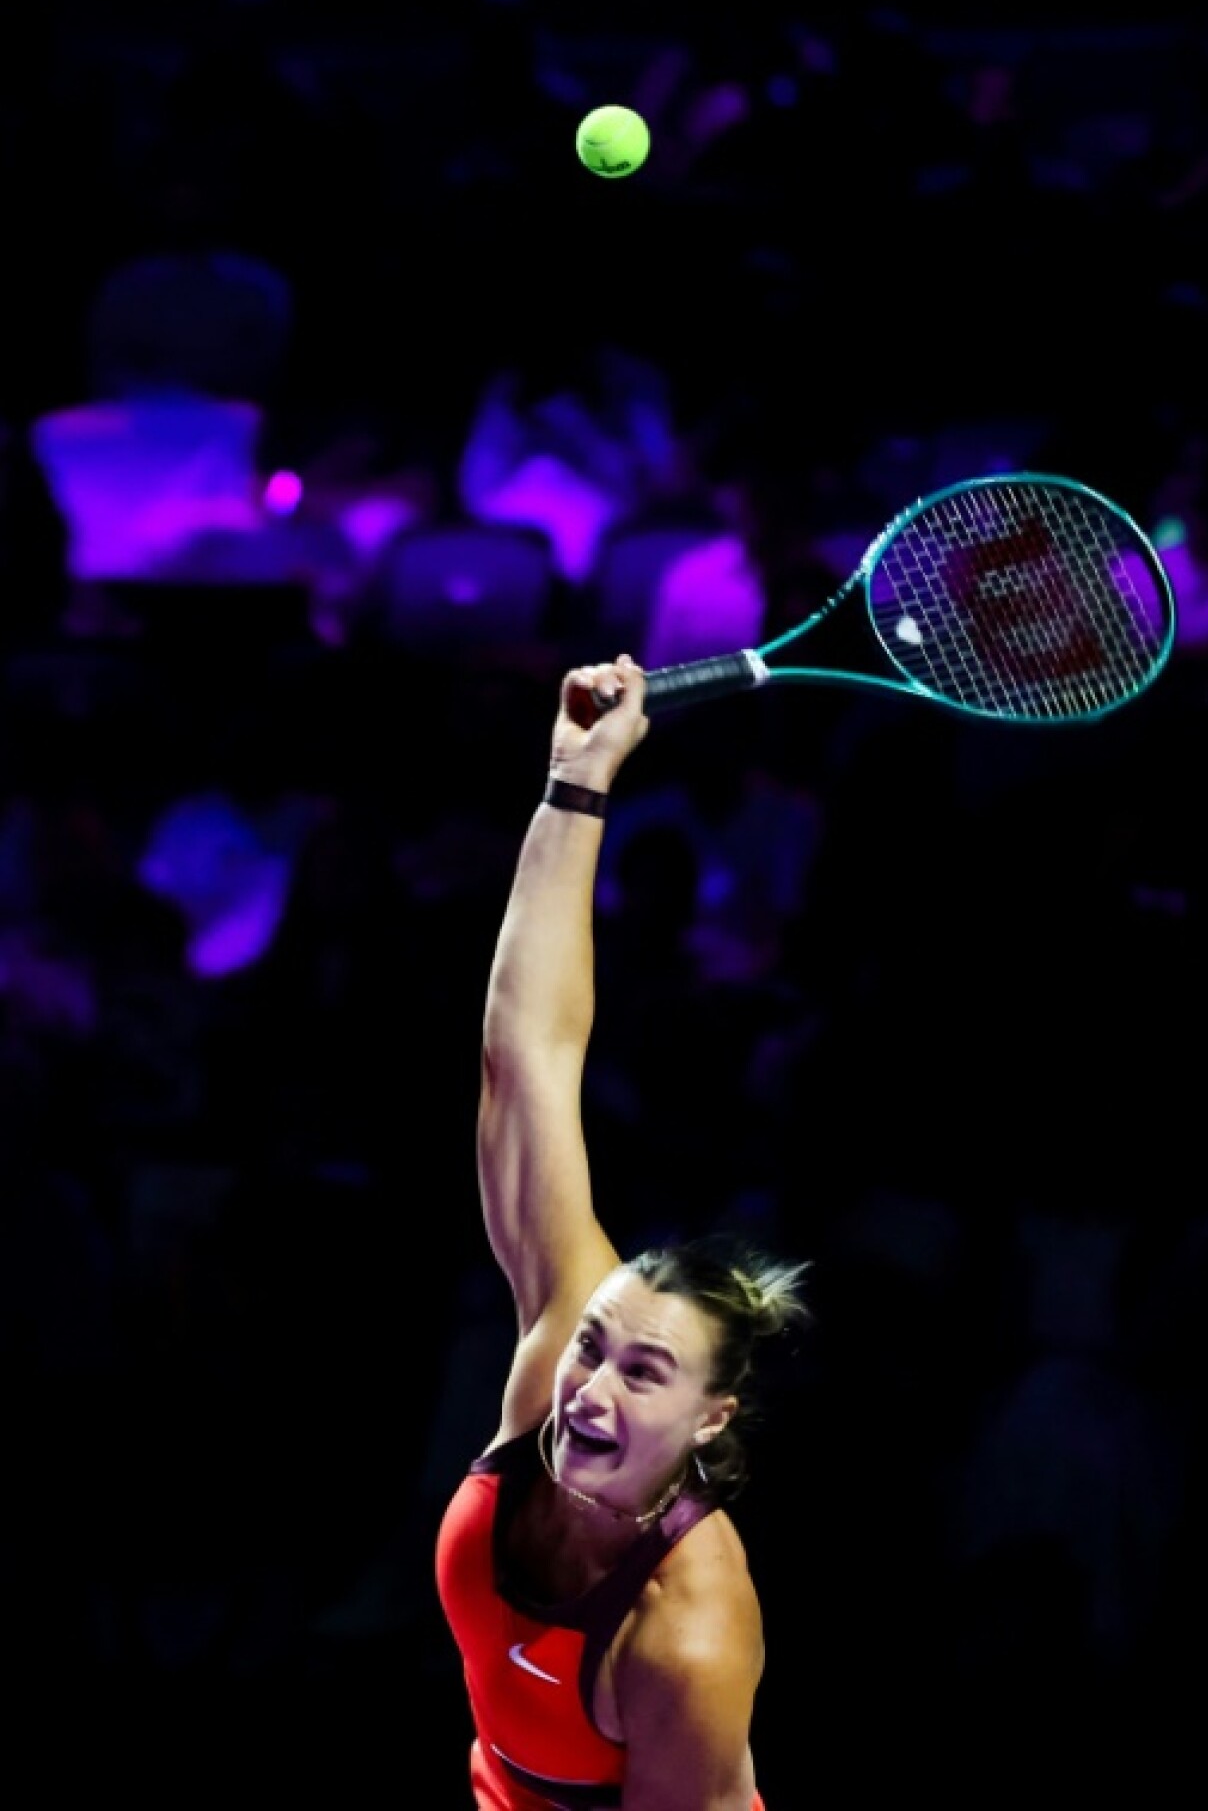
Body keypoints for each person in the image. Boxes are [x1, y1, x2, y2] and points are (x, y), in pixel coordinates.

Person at [434, 652, 812, 1811]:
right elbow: (529, 1062)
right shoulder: (555, 1368)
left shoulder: (688, 1631)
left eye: (644, 1374)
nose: (590, 1388)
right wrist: (576, 780)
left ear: (711, 1420)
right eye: (599, 1344)